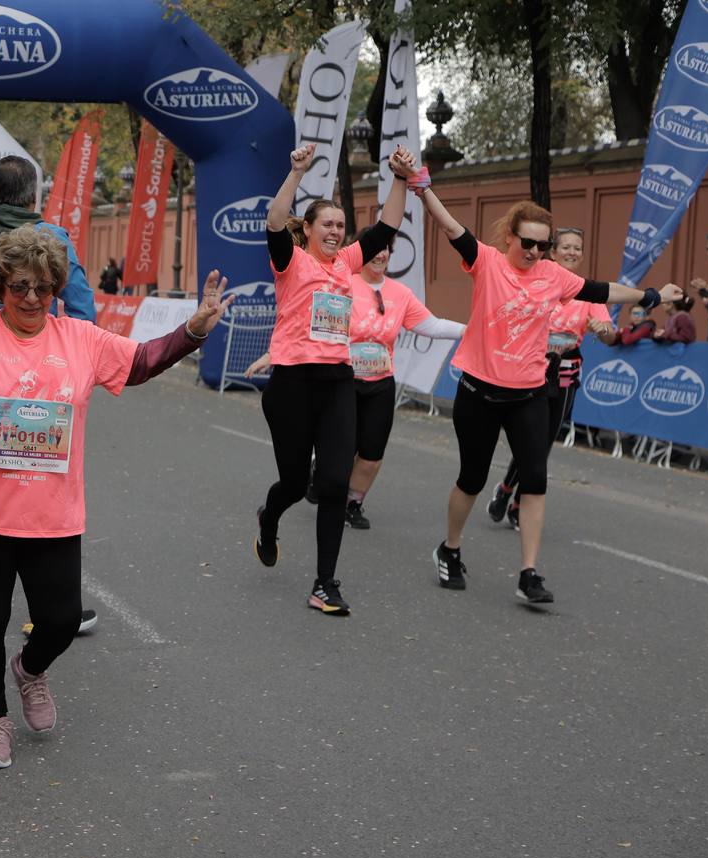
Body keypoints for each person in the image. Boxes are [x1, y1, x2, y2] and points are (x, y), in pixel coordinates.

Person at [0, 213, 231, 768]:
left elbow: (140, 363)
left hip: (53, 515)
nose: (33, 297)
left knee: (62, 620)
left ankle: (31, 671)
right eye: (20, 286)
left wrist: (195, 330)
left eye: (44, 287)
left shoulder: (80, 339)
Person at [416, 186, 684, 604]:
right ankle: (449, 548)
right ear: (510, 237)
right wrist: (421, 185)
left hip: (529, 391)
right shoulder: (486, 262)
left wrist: (650, 296)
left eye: (543, 245)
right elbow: (450, 226)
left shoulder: (553, 275)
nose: (536, 251)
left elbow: (600, 290)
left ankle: (529, 573)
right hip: (479, 391)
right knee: (472, 478)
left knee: (536, 479)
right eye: (529, 243)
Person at [0, 156, 100, 635]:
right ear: (34, 197)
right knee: (38, 482)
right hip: (42, 381)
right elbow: (83, 309)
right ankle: (42, 609)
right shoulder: (56, 239)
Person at [251, 141, 416, 615]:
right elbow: (273, 221)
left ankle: (325, 582)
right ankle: (270, 517)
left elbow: (387, 226)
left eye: (341, 226)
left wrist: (401, 179)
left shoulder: (347, 263)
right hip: (292, 385)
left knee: (334, 482)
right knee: (293, 480)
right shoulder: (290, 261)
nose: (336, 232)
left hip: (338, 383)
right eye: (327, 224)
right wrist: (296, 173)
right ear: (307, 229)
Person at [245, 228, 466, 531]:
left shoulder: (400, 295)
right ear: (362, 254)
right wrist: (274, 355)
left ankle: (352, 502)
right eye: (376, 249)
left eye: (387, 249)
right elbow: (303, 321)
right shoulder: (341, 282)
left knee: (372, 455)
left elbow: (434, 326)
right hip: (340, 380)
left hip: (380, 382)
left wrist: (474, 328)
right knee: (341, 451)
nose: (381, 254)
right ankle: (321, 478)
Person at [487, 226, 616, 529]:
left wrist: (604, 330)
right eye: (566, 247)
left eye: (578, 248)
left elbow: (612, 336)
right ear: (553, 252)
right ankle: (506, 487)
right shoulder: (538, 283)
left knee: (542, 445)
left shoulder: (588, 292)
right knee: (528, 441)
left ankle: (519, 502)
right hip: (530, 373)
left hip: (566, 377)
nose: (572, 252)